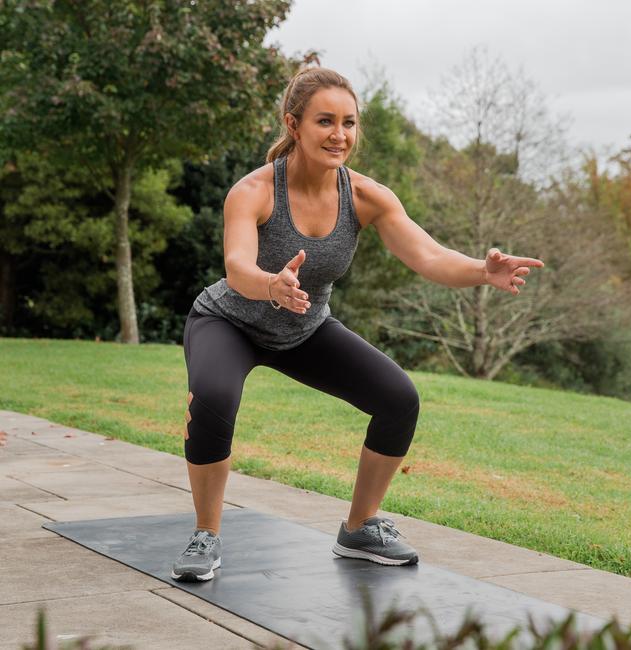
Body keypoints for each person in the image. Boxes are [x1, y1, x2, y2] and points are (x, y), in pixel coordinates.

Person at [171, 67, 544, 582]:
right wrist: (270, 284)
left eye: (349, 122)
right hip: (228, 321)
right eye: (325, 121)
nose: (339, 134)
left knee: (398, 399)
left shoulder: (366, 196)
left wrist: (482, 271)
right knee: (214, 396)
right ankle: (205, 534)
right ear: (293, 124)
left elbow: (429, 256)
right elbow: (237, 267)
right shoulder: (254, 191)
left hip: (303, 328)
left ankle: (360, 526)